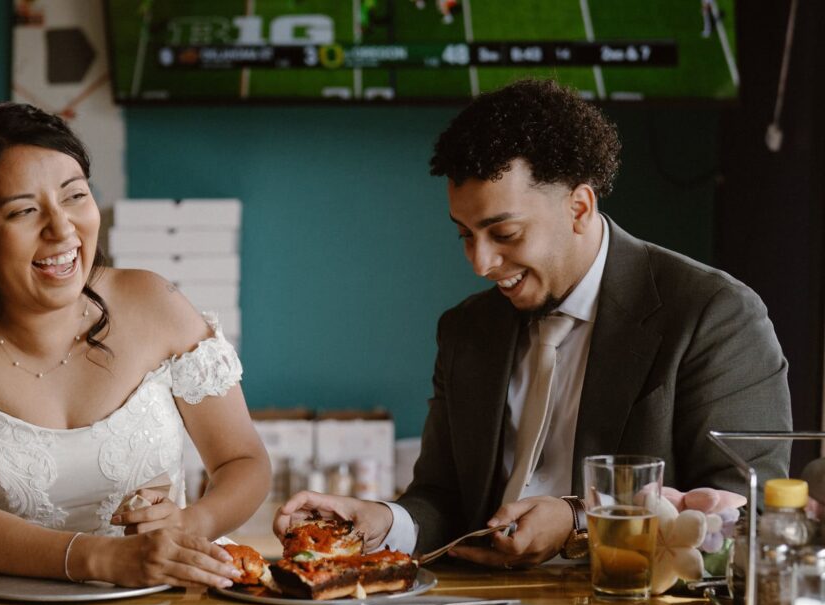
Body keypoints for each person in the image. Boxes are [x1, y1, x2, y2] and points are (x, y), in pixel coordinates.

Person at [275, 78, 791, 569]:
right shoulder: (465, 329)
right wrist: (384, 521)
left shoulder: (715, 315)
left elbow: (748, 515)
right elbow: (444, 498)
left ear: (579, 208)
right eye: (465, 235)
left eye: (505, 234)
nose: (481, 263)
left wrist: (579, 521)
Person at [0, 102, 271, 589]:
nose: (62, 229)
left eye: (74, 196)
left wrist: (189, 524)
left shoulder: (156, 302)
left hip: (169, 604)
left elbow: (243, 461)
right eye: (24, 211)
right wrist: (107, 559)